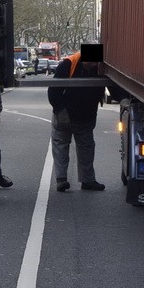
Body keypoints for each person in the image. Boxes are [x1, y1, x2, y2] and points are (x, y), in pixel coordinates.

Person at [48, 47, 105, 192]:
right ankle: (61, 180)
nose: (91, 66)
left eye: (94, 64)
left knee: (86, 148)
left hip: (86, 116)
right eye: (89, 63)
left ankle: (87, 180)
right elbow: (54, 91)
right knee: (61, 145)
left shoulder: (101, 66)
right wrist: (60, 111)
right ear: (82, 57)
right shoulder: (68, 64)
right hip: (65, 115)